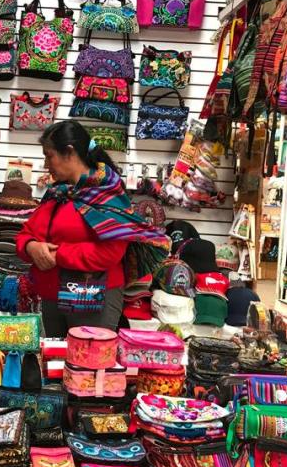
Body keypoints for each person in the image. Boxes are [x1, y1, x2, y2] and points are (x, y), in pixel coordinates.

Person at [17, 120, 171, 336]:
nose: (45, 164)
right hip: (53, 298)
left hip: (93, 300)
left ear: (69, 152)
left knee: (86, 366)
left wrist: (57, 254)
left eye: (49, 155)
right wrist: (32, 247)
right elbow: (26, 235)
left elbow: (110, 253)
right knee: (54, 366)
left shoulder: (107, 194)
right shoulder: (58, 194)